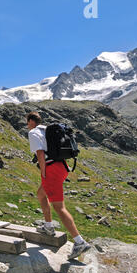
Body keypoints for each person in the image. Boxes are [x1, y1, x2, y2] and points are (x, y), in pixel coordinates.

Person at [26, 111, 91, 260]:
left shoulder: (34, 132)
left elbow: (40, 154)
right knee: (41, 194)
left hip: (51, 169)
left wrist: (43, 173)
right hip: (62, 166)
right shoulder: (46, 129)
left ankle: (79, 242)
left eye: (27, 123)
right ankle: (48, 226)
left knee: (59, 207)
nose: (27, 126)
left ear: (30, 121)